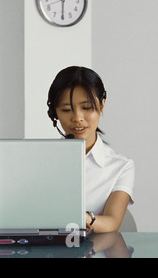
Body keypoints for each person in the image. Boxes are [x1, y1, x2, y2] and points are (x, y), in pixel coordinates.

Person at [47, 66, 135, 233]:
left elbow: (112, 222)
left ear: (101, 106)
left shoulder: (121, 166)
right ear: (55, 113)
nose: (77, 118)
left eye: (86, 108)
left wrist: (80, 217)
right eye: (66, 110)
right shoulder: (42, 161)